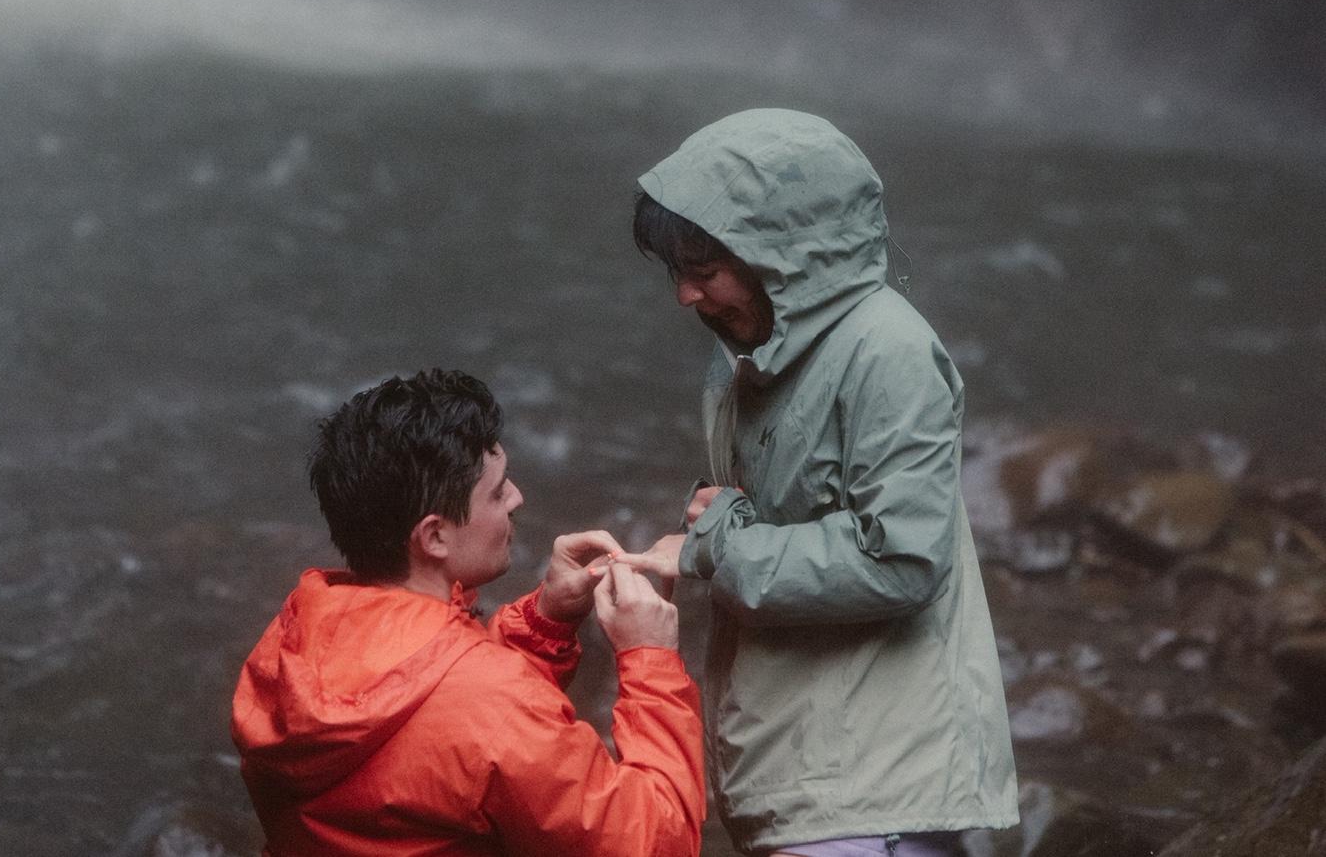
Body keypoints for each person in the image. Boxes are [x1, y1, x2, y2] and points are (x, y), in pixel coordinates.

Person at [617, 109, 1019, 857]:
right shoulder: (751, 348)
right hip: (802, 769)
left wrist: (718, 542)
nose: (684, 296)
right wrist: (703, 528)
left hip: (874, 792)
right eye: (676, 272)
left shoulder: (887, 352)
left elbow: (898, 560)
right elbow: (753, 508)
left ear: (781, 254)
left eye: (703, 272)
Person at [231, 368, 705, 857]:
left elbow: (441, 729)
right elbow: (655, 841)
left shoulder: (293, 637)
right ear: (434, 536)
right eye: (497, 491)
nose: (517, 497)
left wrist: (546, 621)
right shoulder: (489, 702)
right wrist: (650, 659)